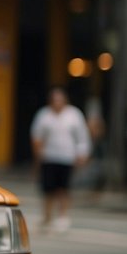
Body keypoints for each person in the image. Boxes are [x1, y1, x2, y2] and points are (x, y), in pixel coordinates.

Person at [30, 86, 91, 233]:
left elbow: (82, 136)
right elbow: (37, 136)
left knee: (63, 188)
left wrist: (82, 153)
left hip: (67, 157)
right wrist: (38, 155)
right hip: (49, 156)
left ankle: (63, 216)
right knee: (48, 188)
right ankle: (47, 216)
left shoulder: (74, 115)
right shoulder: (44, 115)